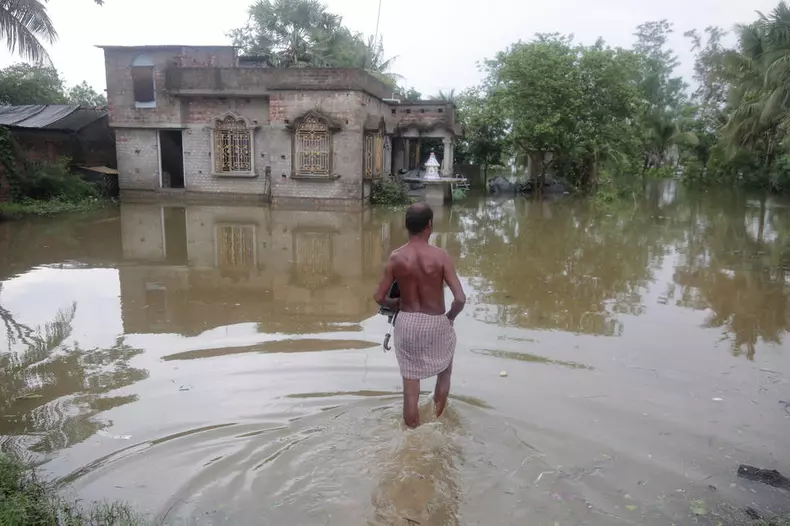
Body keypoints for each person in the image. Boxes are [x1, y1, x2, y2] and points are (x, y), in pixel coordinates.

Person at [374, 203, 466, 428]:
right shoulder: (441, 256)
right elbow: (460, 299)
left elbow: (379, 296)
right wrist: (450, 317)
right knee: (444, 373)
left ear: (406, 226)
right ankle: (436, 423)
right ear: (430, 225)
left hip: (406, 323)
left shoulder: (396, 257)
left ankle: (412, 434)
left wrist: (394, 302)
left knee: (410, 384)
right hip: (436, 322)